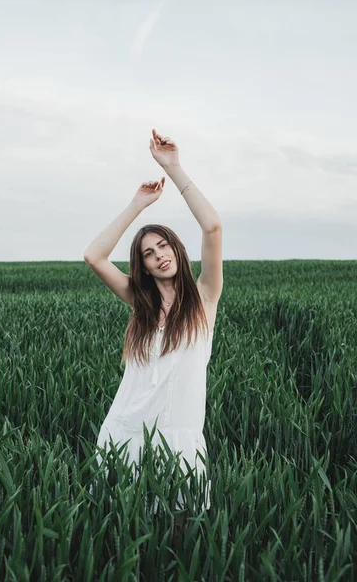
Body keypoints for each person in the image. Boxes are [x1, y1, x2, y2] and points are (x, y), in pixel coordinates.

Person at [84, 128, 223, 532]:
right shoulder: (140, 305)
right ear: (141, 267)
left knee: (181, 540)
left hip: (180, 442)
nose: (159, 255)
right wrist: (136, 205)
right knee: (124, 536)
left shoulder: (203, 300)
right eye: (148, 253)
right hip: (125, 434)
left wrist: (174, 168)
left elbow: (212, 227)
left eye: (163, 246)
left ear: (177, 250)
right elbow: (94, 256)